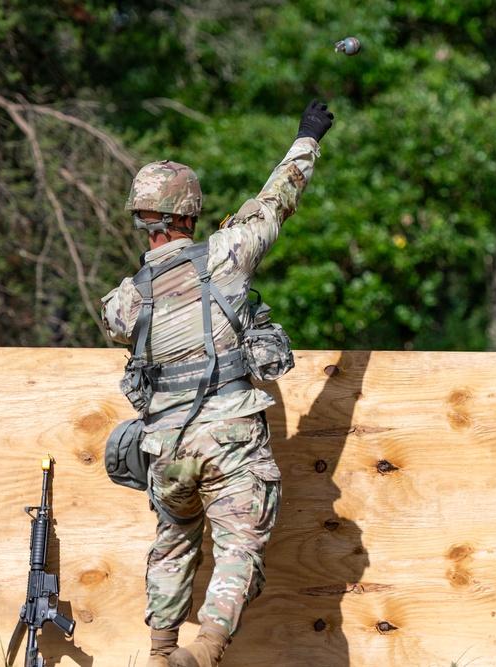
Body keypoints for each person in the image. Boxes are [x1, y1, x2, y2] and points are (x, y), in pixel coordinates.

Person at [100, 100, 334, 667]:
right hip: (229, 440)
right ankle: (203, 653)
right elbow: (276, 200)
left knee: (175, 541)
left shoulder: (125, 300)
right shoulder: (227, 256)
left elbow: (121, 327)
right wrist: (307, 138)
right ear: (189, 214)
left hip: (166, 449)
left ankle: (160, 654)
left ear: (142, 218)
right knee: (239, 546)